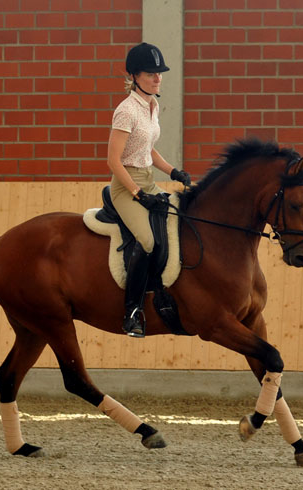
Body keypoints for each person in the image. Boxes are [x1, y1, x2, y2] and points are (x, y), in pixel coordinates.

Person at [107, 42, 191, 338]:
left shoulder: (152, 106)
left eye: (159, 73)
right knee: (146, 240)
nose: (158, 78)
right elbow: (113, 161)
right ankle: (131, 312)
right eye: (151, 74)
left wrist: (174, 172)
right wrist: (137, 194)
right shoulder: (126, 110)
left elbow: (148, 149)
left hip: (147, 179)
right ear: (134, 76)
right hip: (125, 185)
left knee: (178, 222)